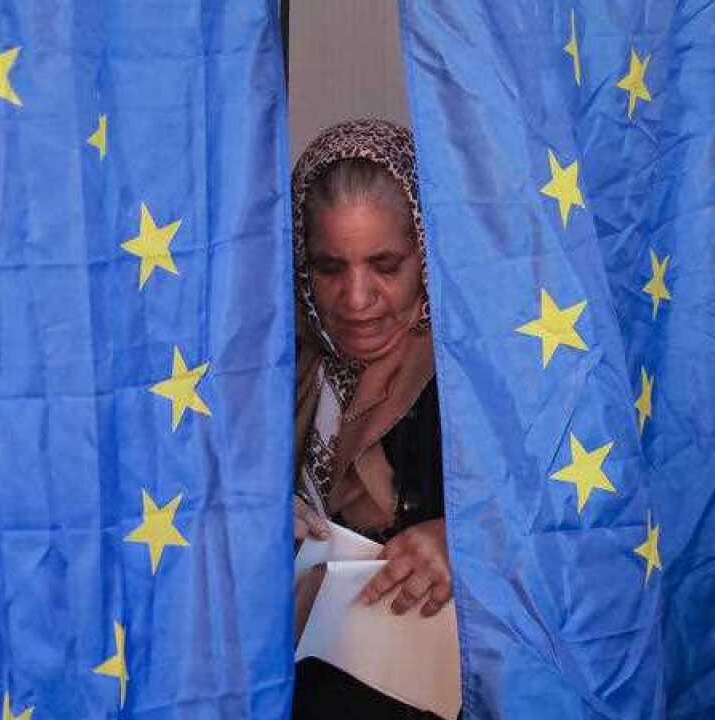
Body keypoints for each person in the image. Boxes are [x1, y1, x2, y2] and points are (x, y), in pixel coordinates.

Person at [290, 119, 451, 720]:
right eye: (330, 268)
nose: (356, 300)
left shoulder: (482, 384)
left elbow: (572, 523)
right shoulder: (274, 370)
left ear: (428, 255)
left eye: (385, 265)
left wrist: (464, 542)